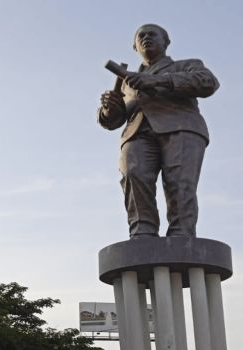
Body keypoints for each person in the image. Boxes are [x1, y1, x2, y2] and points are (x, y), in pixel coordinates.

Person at [99, 24, 220, 238]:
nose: (146, 38)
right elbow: (116, 119)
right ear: (135, 46)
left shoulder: (187, 65)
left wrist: (157, 80)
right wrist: (110, 110)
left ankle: (181, 235)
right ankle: (142, 232)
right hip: (138, 133)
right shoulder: (128, 82)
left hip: (180, 128)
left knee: (179, 183)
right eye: (141, 36)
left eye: (152, 34)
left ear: (166, 42)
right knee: (133, 174)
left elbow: (208, 82)